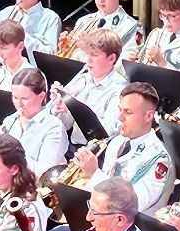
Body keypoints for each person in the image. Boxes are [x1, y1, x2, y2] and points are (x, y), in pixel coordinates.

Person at [66, 78, 169, 208]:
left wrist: (94, 174)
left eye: (128, 112)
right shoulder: (117, 141)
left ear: (148, 116)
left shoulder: (158, 158)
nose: (119, 117)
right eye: (120, 110)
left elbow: (135, 203)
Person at [0, 69, 70, 180]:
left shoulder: (54, 127)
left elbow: (45, 172)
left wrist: (11, 157)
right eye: (15, 98)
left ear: (41, 96)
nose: (19, 104)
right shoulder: (9, 121)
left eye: (24, 99)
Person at [55, 29, 130, 136]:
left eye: (94, 55)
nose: (88, 60)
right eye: (87, 54)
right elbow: (65, 125)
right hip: (70, 143)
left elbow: (109, 131)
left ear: (111, 58)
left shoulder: (119, 89)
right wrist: (59, 106)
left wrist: (76, 108)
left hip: (92, 148)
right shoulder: (82, 78)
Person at [59, 0, 142, 56]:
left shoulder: (131, 27)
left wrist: (90, 50)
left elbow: (126, 66)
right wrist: (65, 49)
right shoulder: (83, 21)